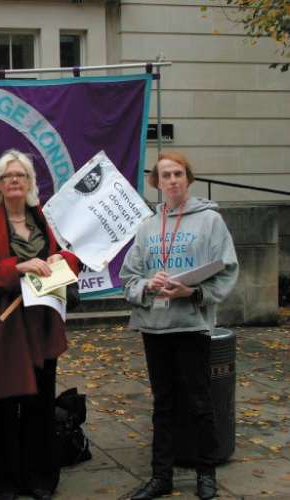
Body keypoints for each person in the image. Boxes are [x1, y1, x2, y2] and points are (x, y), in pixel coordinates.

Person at [120, 151, 238, 500]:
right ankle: (161, 476)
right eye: (165, 175)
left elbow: (228, 268)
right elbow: (128, 278)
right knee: (163, 404)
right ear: (156, 182)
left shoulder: (210, 221)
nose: (172, 180)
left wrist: (194, 291)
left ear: (188, 178)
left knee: (200, 402)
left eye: (178, 174)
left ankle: (206, 473)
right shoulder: (146, 227)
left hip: (190, 324)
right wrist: (148, 285)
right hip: (155, 327)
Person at [0, 149, 80, 500]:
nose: (14, 181)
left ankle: (40, 479)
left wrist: (63, 258)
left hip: (43, 324)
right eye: (7, 176)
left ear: (30, 183)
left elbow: (74, 257)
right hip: (6, 329)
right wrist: (18, 266)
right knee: (2, 403)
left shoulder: (47, 221)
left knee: (41, 402)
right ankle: (2, 481)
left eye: (21, 176)